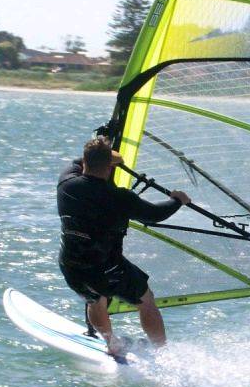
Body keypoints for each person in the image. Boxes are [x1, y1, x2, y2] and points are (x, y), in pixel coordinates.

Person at [57, 136, 191, 361]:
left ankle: (111, 343)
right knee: (146, 299)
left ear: (86, 161)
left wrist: (105, 156)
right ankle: (162, 353)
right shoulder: (119, 197)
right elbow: (155, 214)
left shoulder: (66, 183)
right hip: (107, 269)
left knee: (95, 299)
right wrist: (177, 201)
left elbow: (75, 163)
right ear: (109, 167)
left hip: (71, 265)